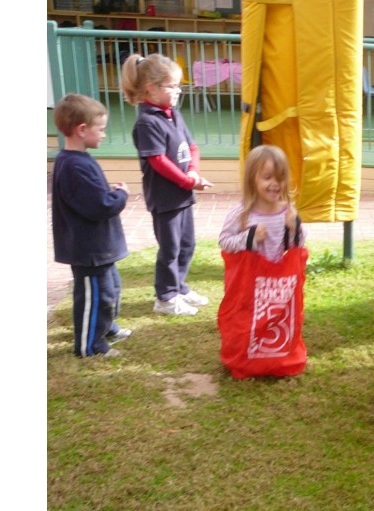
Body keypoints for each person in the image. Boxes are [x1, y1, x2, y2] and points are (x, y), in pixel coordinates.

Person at [120, 53, 213, 316]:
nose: (178, 91)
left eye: (178, 86)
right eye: (171, 86)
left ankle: (179, 288)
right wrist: (187, 181)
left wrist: (193, 173)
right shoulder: (147, 122)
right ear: (151, 88)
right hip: (165, 198)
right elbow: (158, 160)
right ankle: (165, 298)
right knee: (170, 248)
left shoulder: (173, 114)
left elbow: (192, 146)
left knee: (187, 244)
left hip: (183, 193)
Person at [51, 93, 131, 359]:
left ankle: (105, 328)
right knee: (94, 296)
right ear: (82, 130)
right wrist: (120, 196)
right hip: (88, 250)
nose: (104, 134)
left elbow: (90, 196)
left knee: (110, 290)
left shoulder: (79, 160)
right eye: (101, 129)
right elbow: (99, 206)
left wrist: (107, 191)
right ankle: (89, 345)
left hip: (100, 247)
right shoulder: (73, 165)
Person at [219, 145, 307, 259]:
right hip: (250, 274)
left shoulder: (287, 212)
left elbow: (296, 246)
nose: (275, 183)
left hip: (278, 275)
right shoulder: (242, 212)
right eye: (267, 177)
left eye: (280, 178)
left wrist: (295, 228)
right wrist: (250, 237)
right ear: (252, 179)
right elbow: (224, 242)